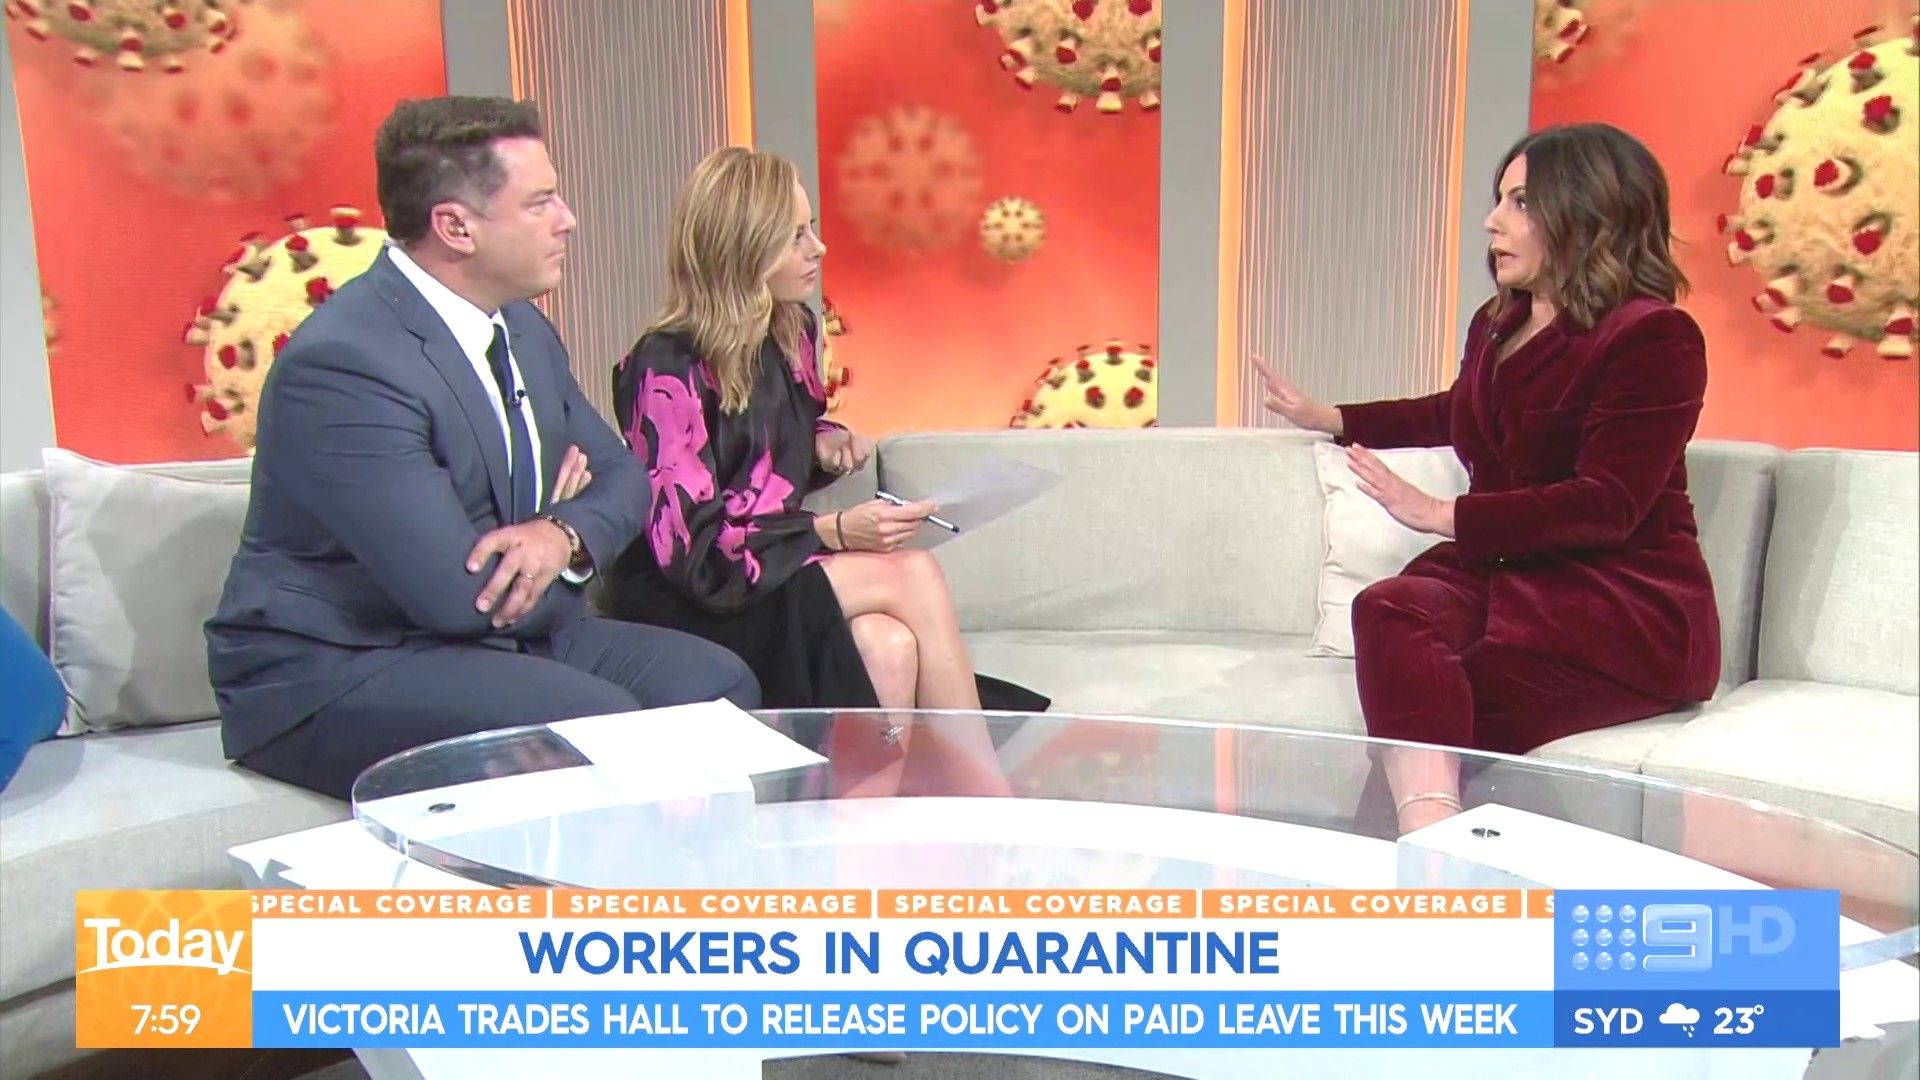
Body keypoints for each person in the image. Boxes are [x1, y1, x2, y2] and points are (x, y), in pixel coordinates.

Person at [205, 97, 759, 801]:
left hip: (499, 638)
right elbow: (460, 598)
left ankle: (683, 872)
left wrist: (559, 534)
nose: (568, 220)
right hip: (340, 667)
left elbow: (625, 476)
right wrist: (562, 555)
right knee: (599, 726)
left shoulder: (522, 329)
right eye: (541, 202)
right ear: (456, 227)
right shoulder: (347, 364)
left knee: (716, 687)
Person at [1254, 123, 1719, 833]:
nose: (1492, 222)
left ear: (1586, 212)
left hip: (1615, 604)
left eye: (1520, 203)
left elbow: (1611, 503)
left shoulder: (1653, 337)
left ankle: (1416, 857)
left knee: (1436, 719)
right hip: (1506, 575)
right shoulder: (1498, 322)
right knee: (1389, 609)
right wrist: (1333, 416)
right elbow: (1457, 411)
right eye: (1499, 200)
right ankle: (1433, 853)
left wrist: (1441, 514)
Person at [601, 146, 1044, 795]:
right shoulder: (664, 366)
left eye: (811, 229)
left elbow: (760, 455)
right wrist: (832, 531)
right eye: (796, 236)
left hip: (771, 571)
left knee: (887, 645)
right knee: (912, 572)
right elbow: (693, 550)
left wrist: (822, 445)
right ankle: (991, 803)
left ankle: (857, 838)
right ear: (744, 250)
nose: (819, 248)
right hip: (695, 594)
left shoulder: (793, 333)